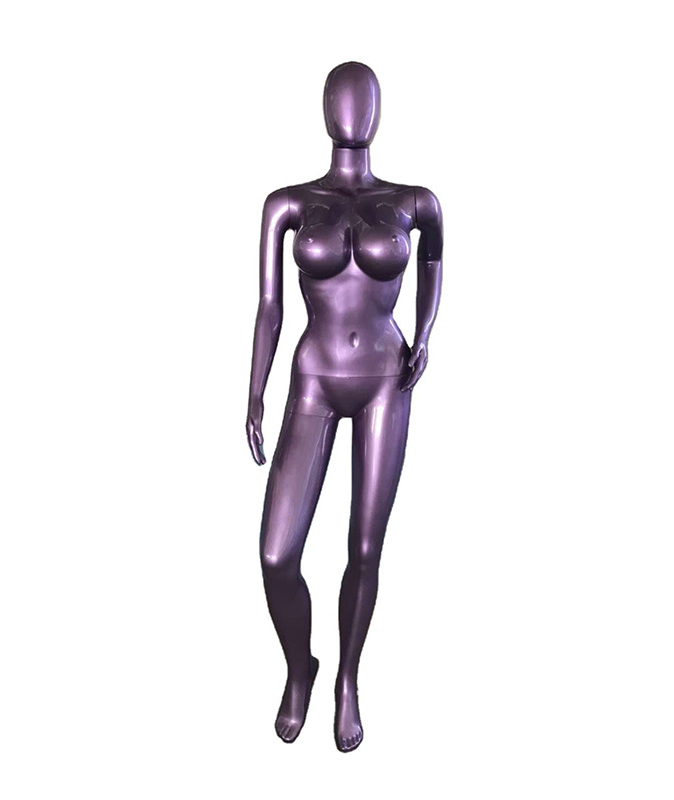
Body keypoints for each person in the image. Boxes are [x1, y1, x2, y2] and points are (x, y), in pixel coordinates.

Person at [246, 61, 443, 753]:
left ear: (377, 112)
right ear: (326, 109)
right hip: (314, 379)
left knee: (364, 546)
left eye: (362, 101)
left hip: (386, 378)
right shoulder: (287, 203)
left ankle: (348, 679)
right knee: (276, 554)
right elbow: (269, 306)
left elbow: (434, 262)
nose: (351, 112)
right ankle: (299, 666)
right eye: (341, 99)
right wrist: (254, 392)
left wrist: (425, 334)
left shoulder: (415, 200)